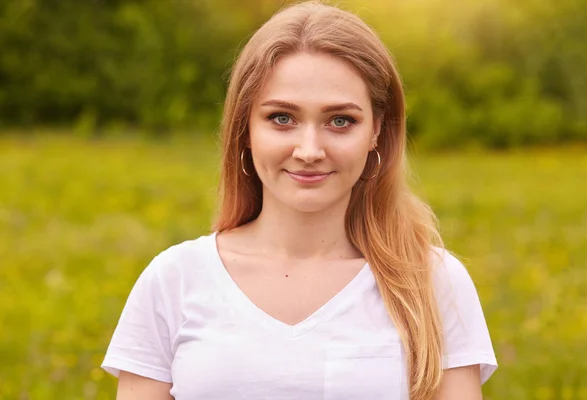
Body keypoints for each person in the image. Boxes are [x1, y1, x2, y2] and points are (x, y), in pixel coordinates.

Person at [101, 1, 497, 399]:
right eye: (282, 118)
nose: (309, 150)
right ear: (245, 126)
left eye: (340, 120)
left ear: (376, 129)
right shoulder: (174, 280)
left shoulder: (431, 282)